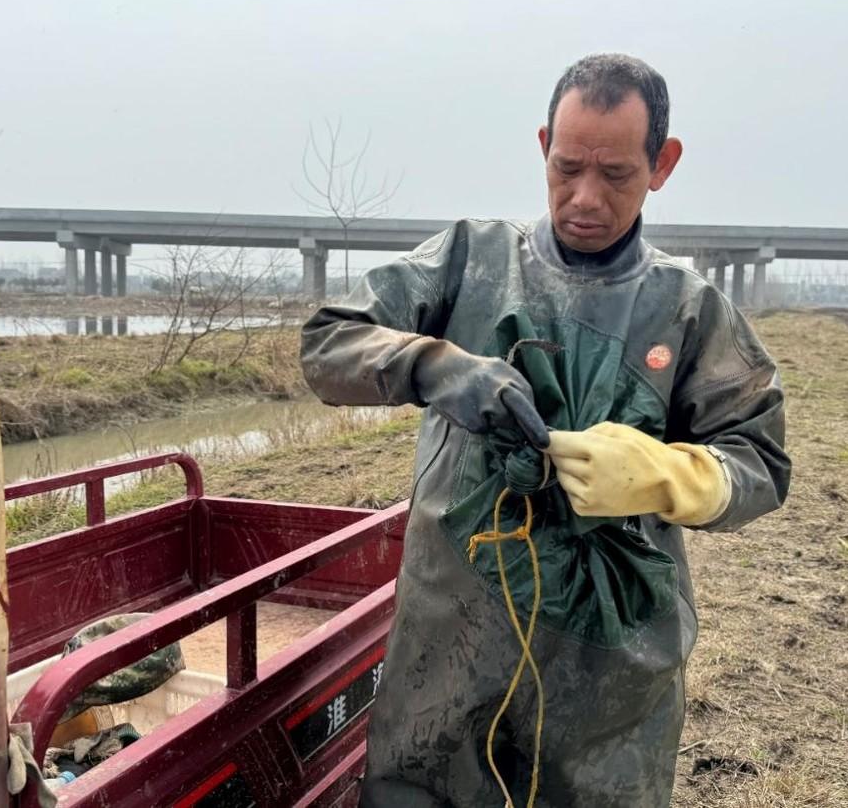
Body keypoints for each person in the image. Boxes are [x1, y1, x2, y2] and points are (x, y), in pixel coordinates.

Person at [300, 53, 791, 807]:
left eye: (617, 175)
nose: (584, 198)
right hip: (450, 651)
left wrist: (668, 475)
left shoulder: (689, 311)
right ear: (543, 147)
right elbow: (327, 343)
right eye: (567, 168)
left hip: (609, 673)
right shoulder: (470, 261)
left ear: (663, 164)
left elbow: (759, 460)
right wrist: (434, 365)